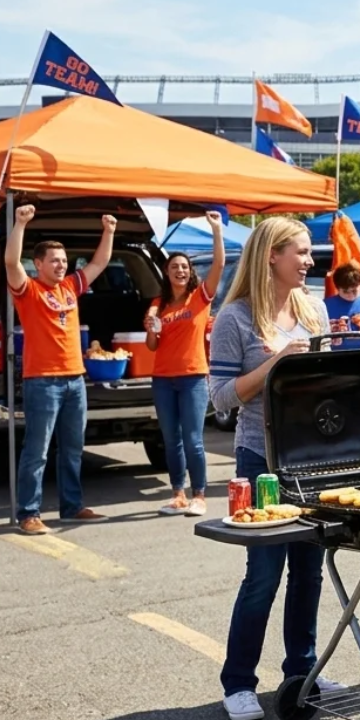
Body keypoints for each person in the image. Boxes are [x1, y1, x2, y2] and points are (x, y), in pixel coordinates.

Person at [208, 217, 338, 720]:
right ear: (270, 256)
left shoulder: (316, 309)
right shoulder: (234, 319)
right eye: (301, 252)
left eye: (308, 253)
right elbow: (219, 400)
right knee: (263, 574)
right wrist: (276, 363)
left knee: (309, 574)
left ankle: (301, 671)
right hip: (261, 459)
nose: (309, 261)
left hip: (313, 460)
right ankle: (238, 681)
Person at [5, 204, 116, 534]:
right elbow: (11, 262)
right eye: (54, 260)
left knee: (72, 450)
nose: (61, 264)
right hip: (43, 381)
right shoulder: (28, 290)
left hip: (74, 380)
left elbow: (98, 263)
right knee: (37, 451)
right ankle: (29, 513)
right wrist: (20, 223)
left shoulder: (70, 287)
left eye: (64, 260)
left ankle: (71, 506)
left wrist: (108, 231)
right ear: (37, 264)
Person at [147, 211, 226, 517]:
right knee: (171, 440)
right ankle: (177, 494)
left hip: (193, 377)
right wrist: (153, 329)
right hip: (163, 379)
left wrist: (216, 230)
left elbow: (219, 265)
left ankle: (200, 495)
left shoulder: (199, 298)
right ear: (166, 273)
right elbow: (153, 345)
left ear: (190, 271)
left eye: (184, 266)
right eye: (174, 267)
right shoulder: (158, 304)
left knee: (193, 439)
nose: (179, 270)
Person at [324, 263, 360, 349]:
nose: (350, 295)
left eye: (354, 291)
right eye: (345, 291)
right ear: (338, 288)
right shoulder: (325, 306)